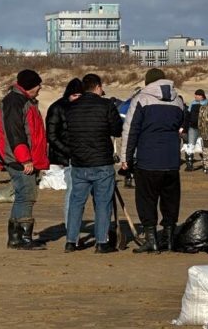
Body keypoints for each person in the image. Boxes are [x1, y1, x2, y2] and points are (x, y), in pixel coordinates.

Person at [121, 69, 185, 252]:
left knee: (146, 199)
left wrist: (125, 159)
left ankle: (152, 239)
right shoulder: (178, 100)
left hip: (148, 159)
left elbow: (130, 130)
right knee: (170, 200)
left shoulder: (141, 98)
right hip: (172, 160)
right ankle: (169, 238)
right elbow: (182, 122)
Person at [64, 73, 122, 253]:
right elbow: (117, 129)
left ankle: (71, 241)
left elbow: (67, 132)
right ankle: (102, 242)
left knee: (76, 203)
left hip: (79, 162)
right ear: (97, 87)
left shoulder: (72, 107)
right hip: (101, 161)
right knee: (103, 203)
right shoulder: (106, 105)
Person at [0, 69, 49, 249]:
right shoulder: (14, 102)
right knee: (27, 196)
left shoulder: (24, 101)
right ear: (29, 86)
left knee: (21, 196)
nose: (40, 88)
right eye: (38, 85)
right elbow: (15, 134)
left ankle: (15, 237)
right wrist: (25, 159)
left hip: (24, 158)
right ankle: (24, 238)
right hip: (19, 159)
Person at [46, 78, 84, 229]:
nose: (77, 99)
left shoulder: (83, 108)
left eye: (80, 96)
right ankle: (71, 229)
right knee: (73, 192)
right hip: (67, 156)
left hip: (84, 156)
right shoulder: (57, 108)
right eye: (75, 96)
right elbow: (51, 135)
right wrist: (68, 152)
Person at [184, 89, 206, 171]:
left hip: (203, 129)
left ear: (201, 96)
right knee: (190, 146)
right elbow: (188, 115)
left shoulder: (207, 103)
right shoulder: (192, 103)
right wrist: (185, 127)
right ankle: (189, 164)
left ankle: (206, 164)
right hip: (192, 128)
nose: (195, 96)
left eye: (196, 95)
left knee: (203, 146)